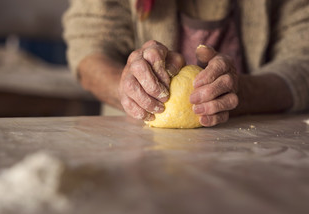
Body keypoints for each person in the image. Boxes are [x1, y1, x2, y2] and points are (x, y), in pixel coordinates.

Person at [63, 0, 309, 127]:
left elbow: (303, 59)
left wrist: (243, 92)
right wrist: (126, 89)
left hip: (261, 149)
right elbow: (89, 46)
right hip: (135, 147)